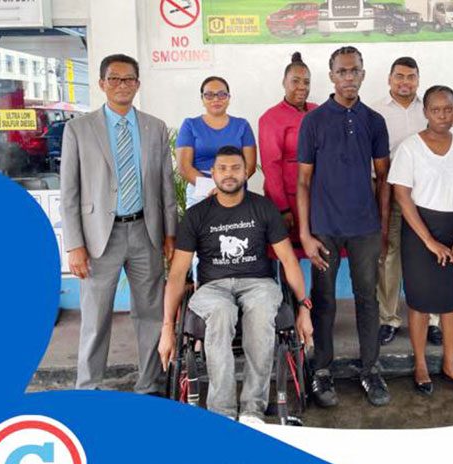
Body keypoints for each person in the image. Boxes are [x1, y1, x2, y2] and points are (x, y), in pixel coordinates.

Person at [157, 146, 313, 424]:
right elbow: (179, 273)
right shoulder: (196, 215)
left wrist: (304, 308)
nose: (229, 174)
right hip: (213, 288)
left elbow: (288, 260)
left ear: (246, 173)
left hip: (258, 283)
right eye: (223, 169)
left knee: (264, 307)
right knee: (221, 313)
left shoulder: (263, 207)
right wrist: (167, 327)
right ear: (213, 173)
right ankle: (223, 412)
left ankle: (253, 410)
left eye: (236, 168)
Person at [61, 54, 178, 394]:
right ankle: (89, 387)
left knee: (150, 315)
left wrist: (170, 233)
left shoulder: (154, 128)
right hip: (99, 239)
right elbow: (69, 191)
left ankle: (149, 384)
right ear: (101, 84)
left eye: (129, 79)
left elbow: (166, 186)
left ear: (138, 85)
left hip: (146, 233)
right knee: (96, 319)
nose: (122, 85)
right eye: (114, 79)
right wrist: (74, 245)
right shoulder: (78, 129)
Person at [297, 46, 392, 407]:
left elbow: (383, 178)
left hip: (365, 227)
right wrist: (305, 234)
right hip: (324, 227)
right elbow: (303, 182)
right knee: (324, 301)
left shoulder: (374, 121)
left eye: (354, 71)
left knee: (367, 299)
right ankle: (322, 371)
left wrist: (381, 228)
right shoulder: (314, 121)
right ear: (332, 76)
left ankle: (370, 369)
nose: (349, 77)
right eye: (342, 71)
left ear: (363, 74)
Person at [389, 86, 453, 396]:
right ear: (425, 112)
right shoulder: (410, 148)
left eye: (447, 109)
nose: (442, 115)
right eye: (435, 109)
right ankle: (420, 365)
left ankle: (450, 363)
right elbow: (402, 196)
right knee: (420, 302)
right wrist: (429, 241)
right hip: (420, 233)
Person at [372, 56, 443, 347]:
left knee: (429, 255)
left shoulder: (427, 111)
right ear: (389, 79)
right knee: (387, 255)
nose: (405, 82)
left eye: (410, 77)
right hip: (387, 192)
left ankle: (433, 320)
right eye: (399, 76)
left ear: (418, 79)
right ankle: (388, 319)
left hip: (427, 195)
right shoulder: (374, 113)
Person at [259, 52, 318, 245]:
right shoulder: (270, 118)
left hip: (318, 198)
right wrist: (282, 209)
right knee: (289, 254)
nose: (302, 87)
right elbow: (271, 167)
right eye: (295, 81)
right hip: (289, 201)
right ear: (284, 82)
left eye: (306, 82)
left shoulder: (319, 111)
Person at [177, 76, 257, 208]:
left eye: (221, 94)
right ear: (202, 99)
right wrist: (215, 188)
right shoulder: (190, 125)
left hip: (235, 189)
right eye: (209, 95)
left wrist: (227, 188)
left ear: (228, 98)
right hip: (201, 191)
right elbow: (184, 167)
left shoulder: (242, 125)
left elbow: (250, 166)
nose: (216, 99)